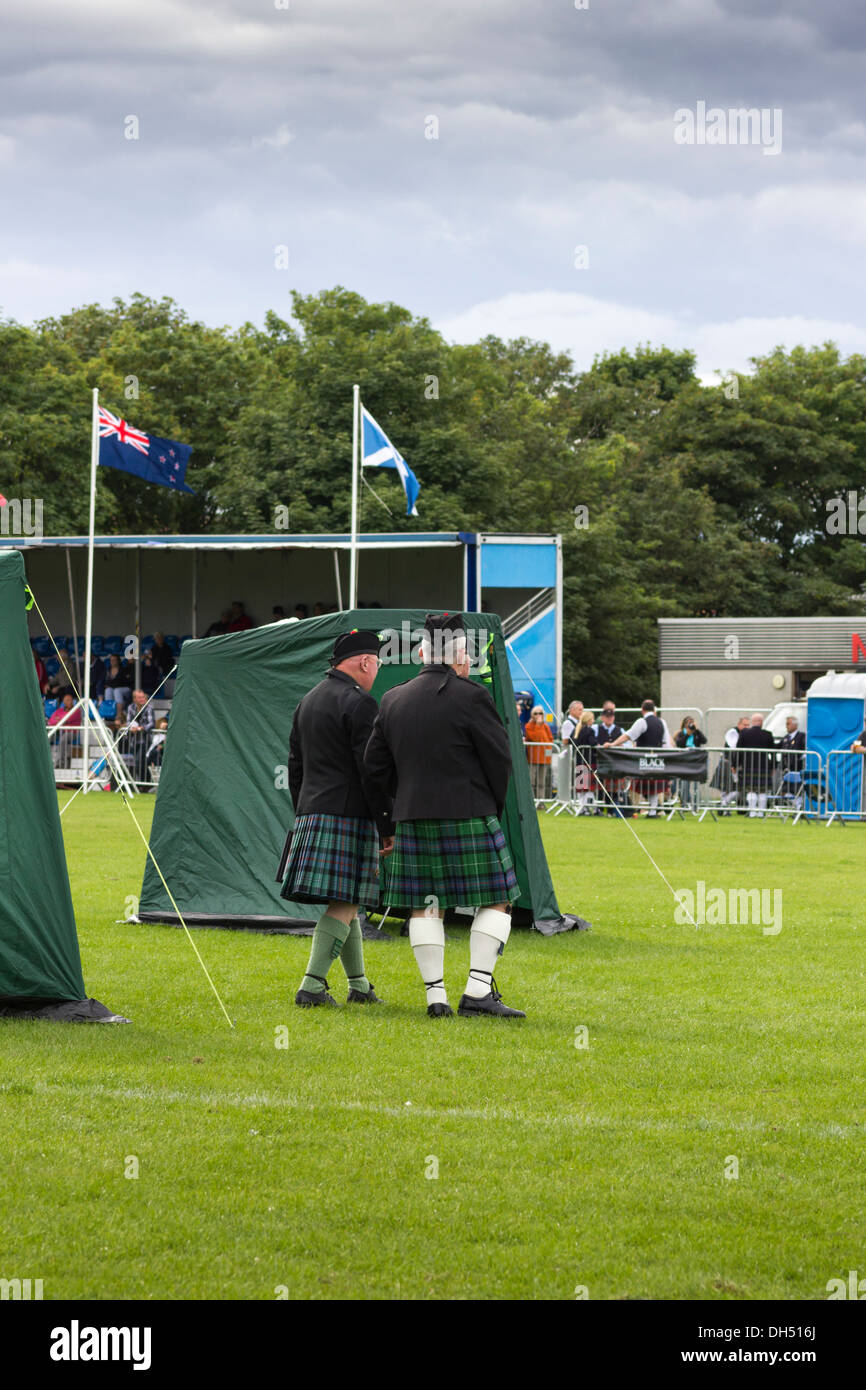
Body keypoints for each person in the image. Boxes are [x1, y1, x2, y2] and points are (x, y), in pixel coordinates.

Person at [365, 612, 524, 1019]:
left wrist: (390, 820)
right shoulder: (472, 696)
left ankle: (436, 998)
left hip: (412, 817)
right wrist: (492, 808)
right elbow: (498, 760)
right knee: (497, 899)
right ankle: (477, 990)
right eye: (467, 655)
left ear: (421, 653)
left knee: (424, 906)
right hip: (469, 812)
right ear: (460, 657)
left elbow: (374, 769)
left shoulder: (393, 698)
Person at [277, 629, 393, 1008]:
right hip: (349, 816)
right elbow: (371, 771)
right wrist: (386, 824)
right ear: (364, 661)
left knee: (349, 902)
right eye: (377, 662)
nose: (376, 670)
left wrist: (304, 808)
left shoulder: (307, 700)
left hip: (313, 810)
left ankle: (359, 986)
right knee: (344, 903)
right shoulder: (360, 704)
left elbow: (295, 766)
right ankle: (311, 988)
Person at [610, 700, 672, 817]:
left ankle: (644, 810)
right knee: (653, 786)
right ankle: (653, 811)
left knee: (644, 786)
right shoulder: (662, 722)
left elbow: (629, 735)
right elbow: (666, 743)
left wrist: (613, 744)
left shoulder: (642, 721)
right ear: (654, 710)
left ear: (642, 710)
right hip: (658, 759)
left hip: (643, 759)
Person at [735, 713, 775, 817]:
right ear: (761, 722)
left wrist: (735, 764)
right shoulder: (767, 734)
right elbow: (773, 753)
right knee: (762, 791)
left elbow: (738, 750)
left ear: (752, 722)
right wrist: (773, 766)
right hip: (764, 766)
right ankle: (761, 813)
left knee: (751, 789)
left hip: (748, 766)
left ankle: (752, 813)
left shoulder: (744, 734)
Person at [712, 715, 749, 814]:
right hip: (728, 763)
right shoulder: (733, 732)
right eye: (744, 725)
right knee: (728, 788)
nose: (746, 727)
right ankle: (724, 807)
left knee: (736, 788)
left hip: (733, 764)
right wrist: (734, 765)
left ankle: (723, 806)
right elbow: (734, 749)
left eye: (748, 725)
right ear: (739, 724)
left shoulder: (743, 734)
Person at [595, 704, 626, 814]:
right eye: (607, 716)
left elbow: (627, 744)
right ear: (602, 718)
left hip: (614, 763)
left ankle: (611, 810)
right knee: (599, 787)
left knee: (613, 788)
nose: (609, 718)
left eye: (611, 716)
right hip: (600, 762)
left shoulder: (620, 730)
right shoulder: (596, 729)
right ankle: (598, 809)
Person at [674, 716, 707, 810]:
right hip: (684, 760)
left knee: (696, 783)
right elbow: (679, 744)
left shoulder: (697, 733)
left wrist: (697, 730)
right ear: (684, 724)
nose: (691, 724)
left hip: (695, 760)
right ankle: (684, 805)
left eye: (692, 722)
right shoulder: (681, 733)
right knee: (684, 783)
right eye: (689, 723)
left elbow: (704, 740)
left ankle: (696, 805)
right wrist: (688, 734)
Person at [524, 705, 554, 800]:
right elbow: (535, 738)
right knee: (531, 781)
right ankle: (531, 800)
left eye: (540, 713)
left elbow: (550, 740)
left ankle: (541, 801)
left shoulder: (546, 726)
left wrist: (548, 756)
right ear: (532, 715)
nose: (538, 715)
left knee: (542, 782)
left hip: (544, 758)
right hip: (533, 758)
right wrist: (538, 725)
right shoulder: (528, 726)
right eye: (536, 713)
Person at [573, 710, 598, 813]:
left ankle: (583, 808)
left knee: (581, 787)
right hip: (588, 761)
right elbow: (593, 743)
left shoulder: (577, 729)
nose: (593, 720)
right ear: (588, 720)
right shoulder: (589, 731)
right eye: (592, 719)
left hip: (579, 761)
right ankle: (591, 808)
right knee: (588, 788)